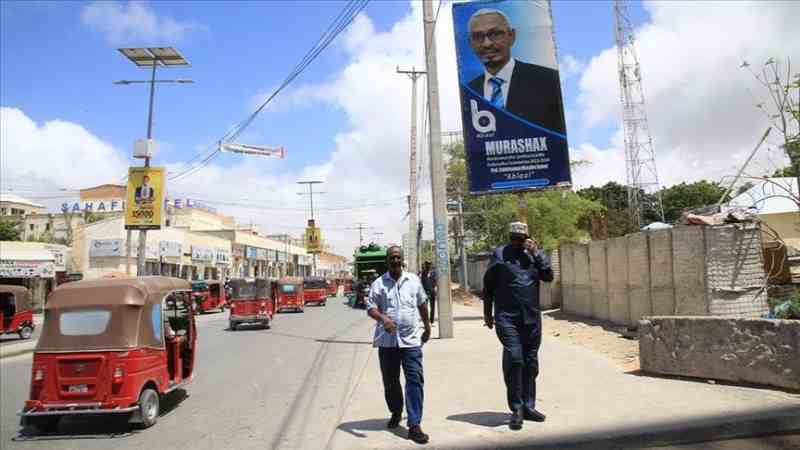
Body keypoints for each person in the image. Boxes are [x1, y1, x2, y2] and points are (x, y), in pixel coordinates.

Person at [483, 221, 553, 430]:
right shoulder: (499, 255)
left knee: (530, 363)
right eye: (514, 238)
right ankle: (516, 409)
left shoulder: (533, 255)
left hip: (531, 319)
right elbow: (488, 286)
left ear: (527, 239)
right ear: (509, 237)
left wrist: (537, 253)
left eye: (521, 239)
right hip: (507, 318)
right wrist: (487, 313)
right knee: (515, 358)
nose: (517, 242)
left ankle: (528, 406)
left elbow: (548, 276)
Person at [366, 246, 432, 444]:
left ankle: (414, 424)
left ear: (402, 260)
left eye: (398, 257)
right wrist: (382, 318)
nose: (395, 261)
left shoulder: (413, 280)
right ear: (387, 261)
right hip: (387, 343)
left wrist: (427, 326)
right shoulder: (378, 284)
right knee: (391, 381)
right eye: (392, 258)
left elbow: (422, 303)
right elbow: (370, 307)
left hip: (411, 340)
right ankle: (396, 411)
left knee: (415, 379)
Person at [466, 8, 566, 134]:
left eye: (495, 34)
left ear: (512, 36)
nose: (487, 44)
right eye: (478, 37)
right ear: (470, 43)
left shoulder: (547, 80)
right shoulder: (469, 92)